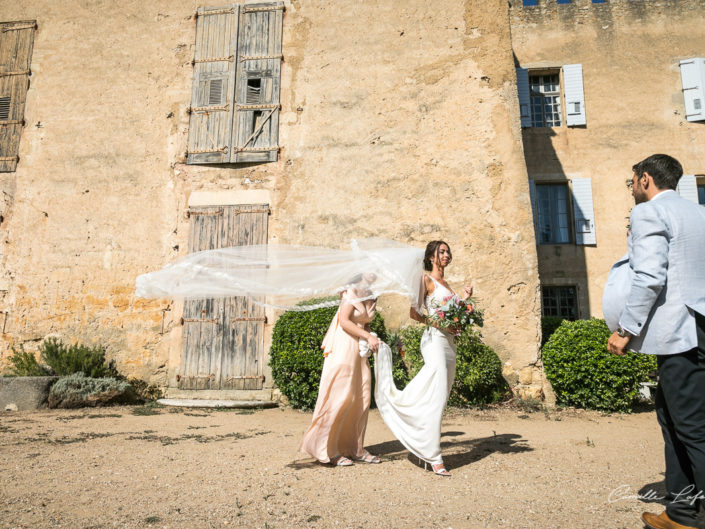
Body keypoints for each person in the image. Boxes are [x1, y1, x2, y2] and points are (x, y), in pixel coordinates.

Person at [606, 154, 705, 529]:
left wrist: (625, 329)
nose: (632, 188)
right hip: (700, 328)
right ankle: (681, 512)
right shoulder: (699, 213)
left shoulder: (649, 212)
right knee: (673, 419)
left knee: (691, 428)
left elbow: (649, 276)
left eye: (632, 181)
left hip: (680, 334)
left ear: (645, 179)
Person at [373, 240, 472, 476]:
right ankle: (433, 456)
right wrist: (439, 324)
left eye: (448, 251)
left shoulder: (447, 284)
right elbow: (414, 313)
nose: (447, 255)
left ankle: (417, 427)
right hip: (434, 341)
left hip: (449, 342)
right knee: (436, 395)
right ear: (431, 257)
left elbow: (455, 314)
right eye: (442, 252)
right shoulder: (425, 280)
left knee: (442, 394)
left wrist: (466, 301)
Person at [299, 273, 383, 466]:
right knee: (340, 394)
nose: (374, 272)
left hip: (360, 347)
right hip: (344, 345)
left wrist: (371, 337)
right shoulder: (350, 291)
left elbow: (366, 322)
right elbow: (345, 322)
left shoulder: (373, 294)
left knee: (362, 396)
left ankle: (356, 448)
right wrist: (367, 336)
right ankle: (327, 449)